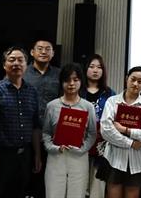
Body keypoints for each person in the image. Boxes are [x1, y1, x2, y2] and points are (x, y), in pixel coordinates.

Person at [0, 46, 42, 198]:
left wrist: (37, 155)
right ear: (4, 65)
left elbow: (35, 126)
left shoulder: (32, 92)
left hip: (24, 156)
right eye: (12, 60)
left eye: (20, 60)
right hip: (0, 156)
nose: (16, 63)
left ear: (26, 65)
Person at [97, 66, 141, 198]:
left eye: (140, 81)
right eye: (133, 79)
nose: (135, 84)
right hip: (114, 158)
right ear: (126, 79)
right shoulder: (112, 101)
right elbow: (106, 130)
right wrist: (131, 143)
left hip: (138, 160)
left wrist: (127, 130)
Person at [42, 63, 97, 198]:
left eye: (75, 80)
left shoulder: (88, 106)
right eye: (67, 80)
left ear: (81, 82)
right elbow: (46, 132)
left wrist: (82, 149)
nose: (71, 84)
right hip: (56, 156)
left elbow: (92, 133)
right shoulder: (52, 106)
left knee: (77, 194)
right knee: (53, 194)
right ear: (61, 82)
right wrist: (53, 148)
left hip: (79, 156)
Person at [24, 38, 60, 198]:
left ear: (53, 53)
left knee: (49, 179)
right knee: (26, 176)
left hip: (53, 134)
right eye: (39, 48)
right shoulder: (22, 72)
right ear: (32, 52)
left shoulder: (60, 74)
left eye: (47, 49)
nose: (44, 52)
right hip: (25, 133)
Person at [81, 54, 116, 198]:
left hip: (101, 146)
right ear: (85, 69)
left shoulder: (109, 93)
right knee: (79, 183)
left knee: (97, 187)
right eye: (92, 66)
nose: (95, 70)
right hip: (80, 143)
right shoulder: (78, 90)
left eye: (99, 67)